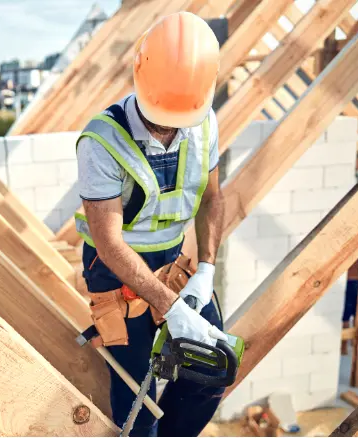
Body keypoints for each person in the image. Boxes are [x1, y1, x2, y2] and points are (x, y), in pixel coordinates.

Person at [75, 12, 226, 437]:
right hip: (116, 271)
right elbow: (109, 243)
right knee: (136, 394)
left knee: (211, 373)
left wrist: (207, 269)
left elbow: (212, 197)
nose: (171, 127)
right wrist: (170, 306)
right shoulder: (101, 141)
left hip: (175, 262)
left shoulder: (204, 121)